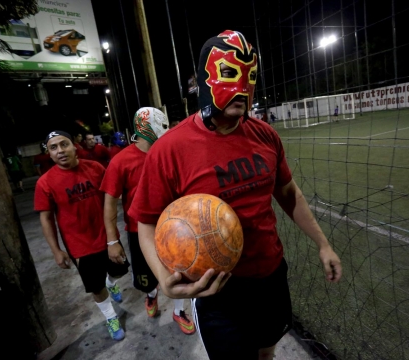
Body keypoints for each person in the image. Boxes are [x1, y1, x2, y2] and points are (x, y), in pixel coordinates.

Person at [129, 30, 342, 359]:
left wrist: (323, 243)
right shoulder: (170, 149)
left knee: (266, 351)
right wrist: (164, 278)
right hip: (217, 292)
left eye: (250, 76)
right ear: (205, 78)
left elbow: (287, 191)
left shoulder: (266, 135)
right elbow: (145, 223)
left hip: (271, 276)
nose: (242, 86)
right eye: (229, 73)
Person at [100, 107, 195, 335]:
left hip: (175, 229)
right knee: (148, 280)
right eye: (161, 125)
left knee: (181, 274)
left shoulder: (172, 154)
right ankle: (151, 296)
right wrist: (112, 241)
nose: (166, 130)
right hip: (139, 232)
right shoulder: (121, 161)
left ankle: (179, 311)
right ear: (144, 128)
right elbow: (110, 203)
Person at [34, 130, 129, 341]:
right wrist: (56, 250)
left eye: (63, 144)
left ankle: (111, 282)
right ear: (49, 154)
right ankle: (110, 317)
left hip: (107, 236)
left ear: (74, 146)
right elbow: (46, 219)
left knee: (120, 271)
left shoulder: (95, 168)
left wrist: (112, 237)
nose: (60, 151)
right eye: (54, 148)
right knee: (96, 287)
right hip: (80, 246)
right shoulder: (45, 183)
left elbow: (111, 200)